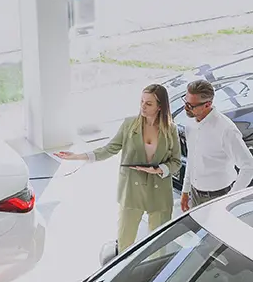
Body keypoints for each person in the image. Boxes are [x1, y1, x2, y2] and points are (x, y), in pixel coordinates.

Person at [54, 83, 183, 252]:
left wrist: (159, 169)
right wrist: (79, 156)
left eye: (149, 103)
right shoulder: (129, 124)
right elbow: (109, 149)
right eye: (142, 101)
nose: (143, 106)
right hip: (131, 192)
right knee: (125, 243)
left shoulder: (170, 130)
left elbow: (176, 162)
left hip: (159, 195)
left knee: (158, 246)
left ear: (160, 107)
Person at [180, 78, 253, 212]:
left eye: (191, 106)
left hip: (218, 197)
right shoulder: (191, 124)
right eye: (186, 102)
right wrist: (185, 190)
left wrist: (230, 199)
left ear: (207, 104)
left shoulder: (226, 130)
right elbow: (192, 158)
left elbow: (249, 167)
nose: (186, 108)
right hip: (195, 193)